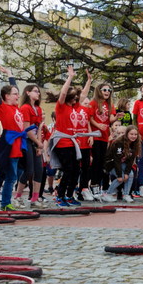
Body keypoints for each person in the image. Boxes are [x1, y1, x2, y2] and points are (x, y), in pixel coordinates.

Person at [0, 66, 36, 212]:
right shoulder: (3, 107)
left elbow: (14, 87)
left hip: (18, 143)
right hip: (9, 143)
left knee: (8, 174)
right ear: (7, 96)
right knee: (11, 177)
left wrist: (10, 73)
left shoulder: (16, 107)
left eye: (17, 94)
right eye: (14, 94)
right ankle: (5, 203)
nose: (17, 95)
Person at [50, 65, 94, 207]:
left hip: (72, 143)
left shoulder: (73, 107)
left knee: (76, 171)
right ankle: (59, 196)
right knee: (68, 170)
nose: (76, 97)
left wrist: (89, 81)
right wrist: (70, 77)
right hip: (62, 142)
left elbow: (83, 95)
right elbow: (62, 94)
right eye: (73, 95)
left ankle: (69, 195)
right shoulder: (61, 106)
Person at [15, 84, 47, 207]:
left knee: (39, 170)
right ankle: (17, 197)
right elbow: (26, 129)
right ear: (27, 93)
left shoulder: (38, 109)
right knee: (29, 170)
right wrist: (37, 142)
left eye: (38, 91)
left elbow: (39, 128)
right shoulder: (25, 108)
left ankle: (34, 198)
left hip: (34, 141)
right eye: (35, 91)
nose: (38, 93)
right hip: (26, 140)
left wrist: (39, 144)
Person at [83, 81, 115, 201]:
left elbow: (111, 119)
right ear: (99, 91)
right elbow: (89, 118)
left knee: (102, 162)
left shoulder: (110, 104)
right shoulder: (93, 103)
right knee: (95, 162)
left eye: (109, 90)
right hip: (95, 135)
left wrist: (117, 117)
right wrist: (99, 125)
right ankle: (91, 185)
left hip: (104, 136)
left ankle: (96, 186)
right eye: (105, 90)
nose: (107, 92)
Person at [105, 125, 140, 202]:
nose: (134, 136)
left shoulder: (134, 144)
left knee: (130, 174)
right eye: (131, 134)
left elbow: (130, 161)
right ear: (127, 134)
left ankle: (126, 195)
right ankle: (108, 194)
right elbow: (116, 160)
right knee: (121, 178)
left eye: (135, 134)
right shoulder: (119, 143)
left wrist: (127, 172)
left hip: (122, 163)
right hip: (111, 163)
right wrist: (119, 175)